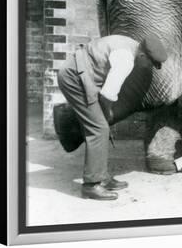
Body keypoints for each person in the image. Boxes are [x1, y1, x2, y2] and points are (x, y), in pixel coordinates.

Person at [57, 34, 168, 200]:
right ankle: (91, 185)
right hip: (74, 77)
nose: (148, 67)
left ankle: (102, 176)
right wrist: (107, 114)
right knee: (99, 128)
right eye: (150, 64)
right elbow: (107, 96)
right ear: (143, 56)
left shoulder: (132, 44)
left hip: (81, 74)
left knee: (100, 125)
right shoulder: (126, 59)